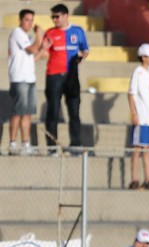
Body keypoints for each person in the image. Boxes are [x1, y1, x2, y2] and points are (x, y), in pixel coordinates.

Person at [43, 3, 89, 155]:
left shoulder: (77, 31)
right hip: (54, 76)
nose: (55, 20)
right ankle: (51, 147)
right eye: (53, 17)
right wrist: (43, 46)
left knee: (74, 111)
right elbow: (42, 53)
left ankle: (75, 144)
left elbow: (85, 50)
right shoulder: (50, 33)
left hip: (72, 76)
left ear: (66, 16)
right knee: (53, 111)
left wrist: (80, 58)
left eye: (57, 16)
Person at [7, 9, 44, 156]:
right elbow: (34, 49)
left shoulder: (27, 37)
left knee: (27, 113)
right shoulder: (17, 33)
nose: (30, 23)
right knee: (18, 112)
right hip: (19, 79)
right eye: (27, 20)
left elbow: (32, 56)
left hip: (30, 79)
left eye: (31, 20)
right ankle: (12, 143)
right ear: (20, 20)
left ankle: (25, 143)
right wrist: (39, 35)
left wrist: (43, 48)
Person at [128, 43, 149, 190]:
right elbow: (131, 94)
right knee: (138, 148)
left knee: (148, 148)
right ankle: (134, 179)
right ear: (143, 57)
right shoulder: (138, 72)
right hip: (141, 116)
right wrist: (134, 113)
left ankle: (148, 179)